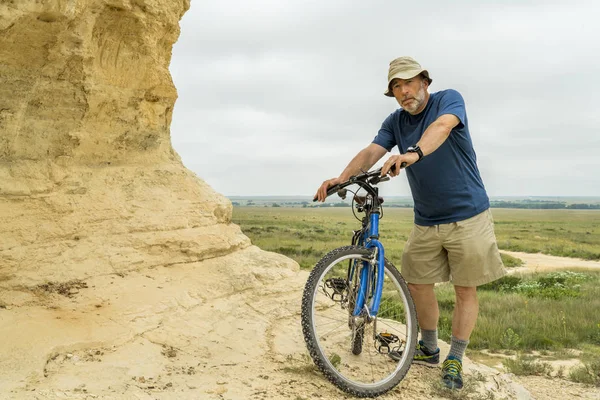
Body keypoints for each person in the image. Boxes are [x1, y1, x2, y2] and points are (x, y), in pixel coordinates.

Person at [314, 56, 506, 390]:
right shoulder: (396, 121)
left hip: (468, 214)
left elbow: (442, 127)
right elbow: (373, 150)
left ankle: (455, 358)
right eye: (396, 87)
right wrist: (342, 178)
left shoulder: (449, 100)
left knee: (465, 288)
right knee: (416, 281)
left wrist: (413, 153)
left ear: (425, 82)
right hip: (427, 218)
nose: (404, 92)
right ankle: (429, 347)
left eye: (409, 83)